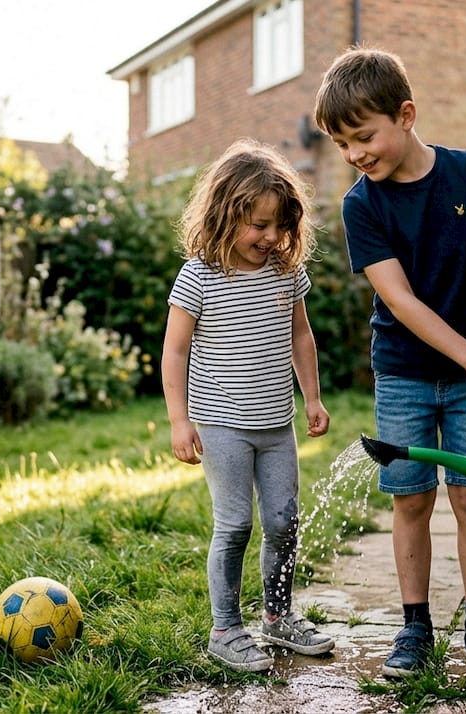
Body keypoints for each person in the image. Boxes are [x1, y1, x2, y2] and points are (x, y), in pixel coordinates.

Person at [312, 47, 466, 682]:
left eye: (363, 136)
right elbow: (399, 301)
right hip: (402, 373)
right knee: (410, 502)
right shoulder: (360, 205)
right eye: (343, 144)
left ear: (406, 114)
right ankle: (414, 626)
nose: (355, 154)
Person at [161, 138, 334, 673]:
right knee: (234, 524)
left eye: (278, 225)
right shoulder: (200, 275)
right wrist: (179, 420)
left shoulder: (285, 273)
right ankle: (225, 628)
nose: (270, 237)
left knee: (283, 520)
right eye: (257, 225)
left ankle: (278, 618)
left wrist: (312, 396)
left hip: (276, 425)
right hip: (221, 426)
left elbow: (301, 335)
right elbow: (175, 349)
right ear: (224, 214)